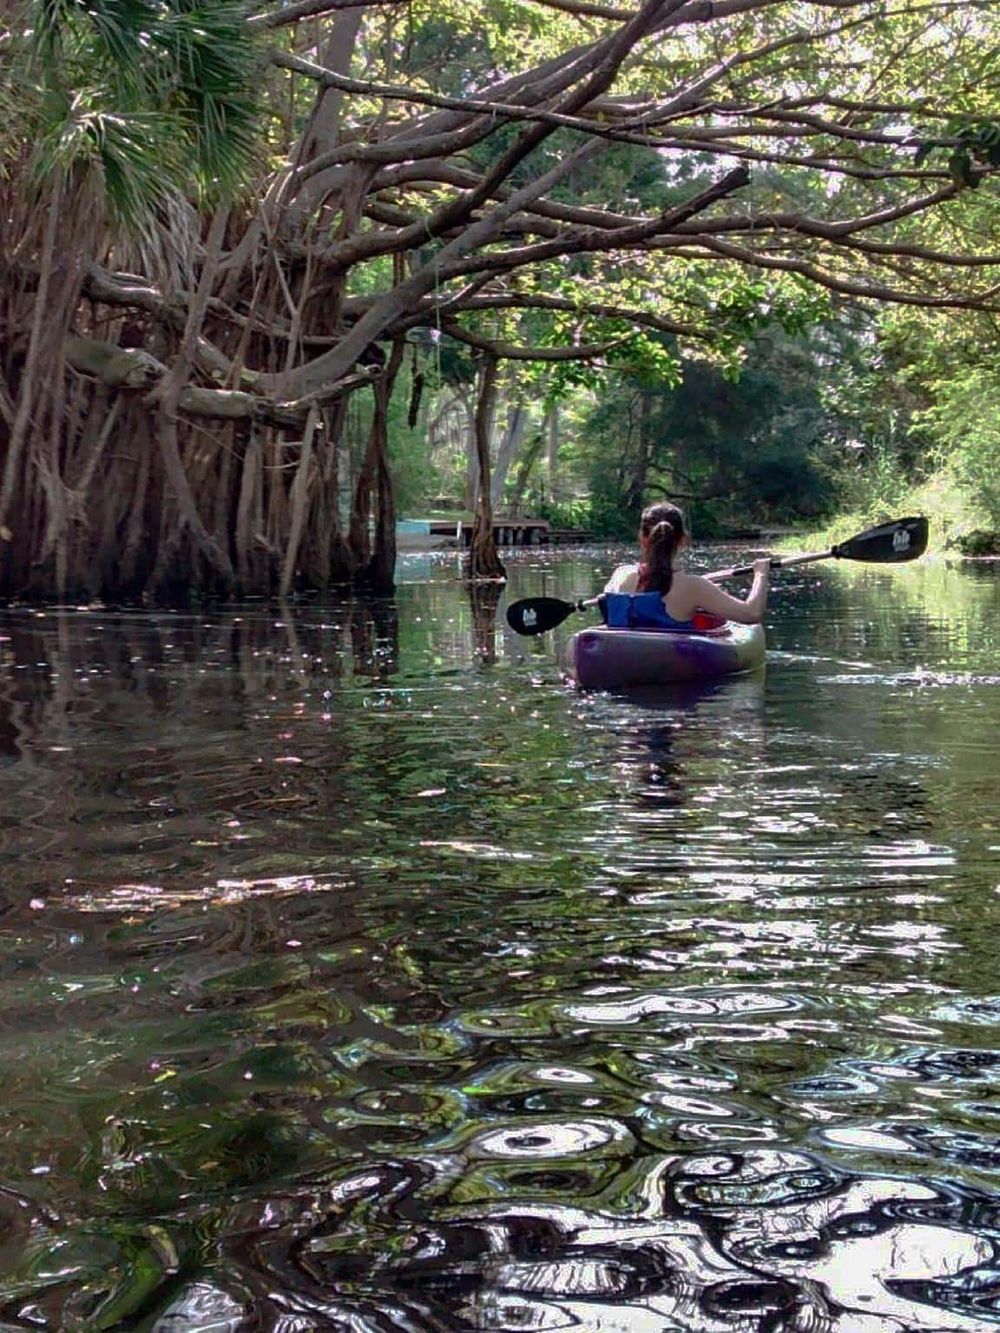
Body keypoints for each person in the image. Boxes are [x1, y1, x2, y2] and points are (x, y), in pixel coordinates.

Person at [604, 501, 770, 625]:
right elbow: (752, 614)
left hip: (619, 661)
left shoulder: (621, 575)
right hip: (670, 665)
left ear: (642, 538)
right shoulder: (694, 587)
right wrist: (761, 573)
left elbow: (609, 609)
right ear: (683, 540)